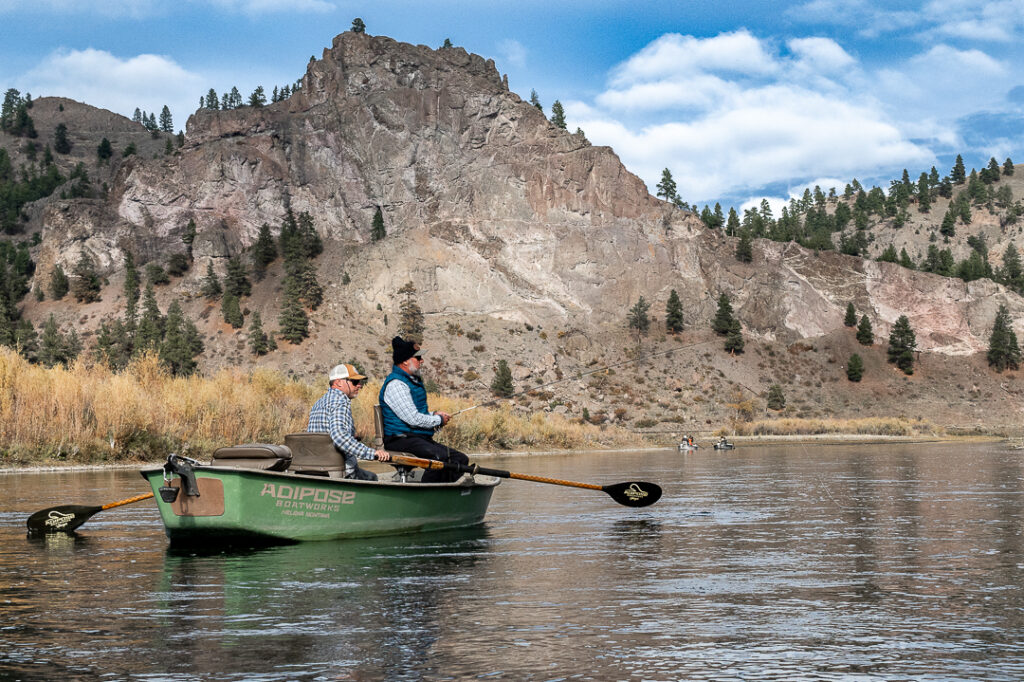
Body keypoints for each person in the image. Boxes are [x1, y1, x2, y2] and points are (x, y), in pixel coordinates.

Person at [379, 336, 470, 483]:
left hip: (415, 437)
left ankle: (445, 490)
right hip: (399, 439)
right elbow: (413, 419)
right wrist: (438, 420)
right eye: (418, 358)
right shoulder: (396, 384)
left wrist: (434, 414)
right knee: (438, 458)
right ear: (405, 361)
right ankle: (427, 492)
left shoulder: (410, 381)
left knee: (460, 459)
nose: (422, 361)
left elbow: (415, 414)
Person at [307, 363, 391, 481]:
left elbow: (322, 434)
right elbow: (339, 437)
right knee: (373, 477)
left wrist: (352, 436)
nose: (360, 385)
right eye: (355, 382)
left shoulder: (319, 402)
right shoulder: (341, 401)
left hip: (315, 466)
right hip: (339, 469)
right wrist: (372, 453)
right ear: (338, 382)